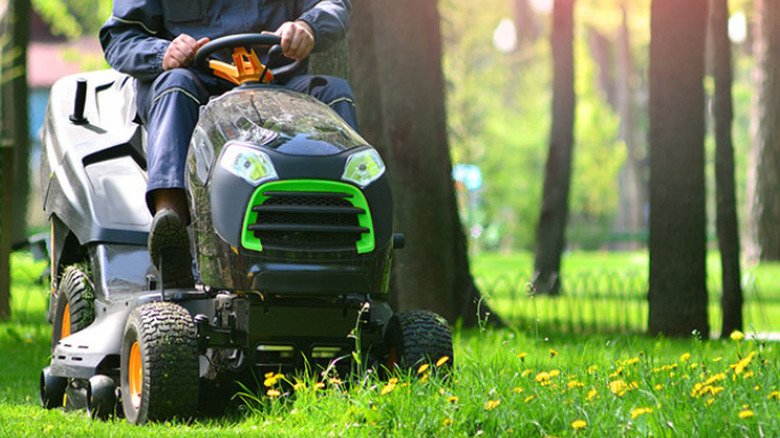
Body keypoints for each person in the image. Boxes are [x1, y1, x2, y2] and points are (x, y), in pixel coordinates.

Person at [99, 0, 355, 288]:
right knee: (175, 85)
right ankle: (171, 235)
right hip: (194, 84)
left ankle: (342, 236)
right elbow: (120, 37)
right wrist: (163, 53)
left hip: (276, 86)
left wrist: (308, 26)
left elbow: (334, 5)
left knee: (334, 92)